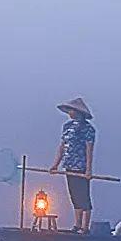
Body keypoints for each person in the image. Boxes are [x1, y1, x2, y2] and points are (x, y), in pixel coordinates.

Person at [48, 96, 96, 233]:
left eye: (71, 110)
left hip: (80, 166)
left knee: (83, 196)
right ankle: (77, 224)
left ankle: (85, 227)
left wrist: (88, 170)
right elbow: (62, 146)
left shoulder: (88, 129)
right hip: (69, 165)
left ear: (77, 111)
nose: (69, 113)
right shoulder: (67, 127)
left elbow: (89, 149)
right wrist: (55, 164)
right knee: (74, 195)